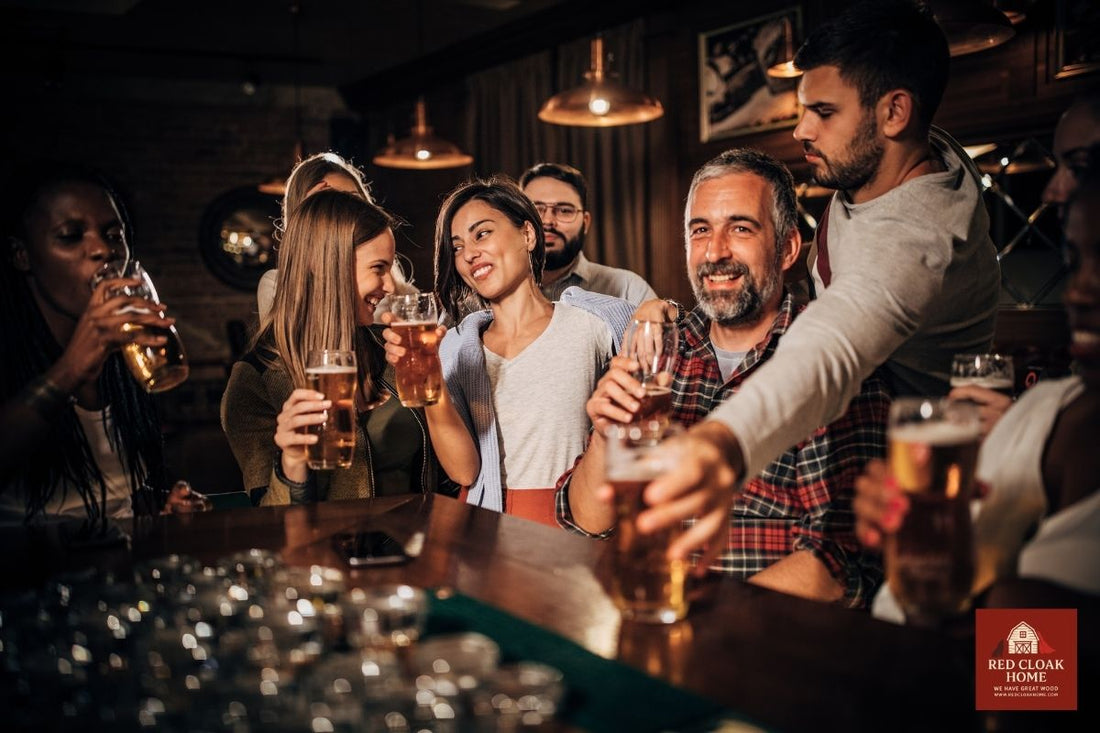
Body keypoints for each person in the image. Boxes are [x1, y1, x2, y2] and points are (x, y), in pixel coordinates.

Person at [632, 0, 1000, 568]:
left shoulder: (912, 241)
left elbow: (831, 345)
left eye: (823, 111)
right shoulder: (901, 158)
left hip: (927, 485)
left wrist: (722, 443)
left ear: (894, 112)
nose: (802, 129)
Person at [557, 150, 890, 606]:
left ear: (788, 248)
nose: (715, 252)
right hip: (646, 619)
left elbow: (839, 563)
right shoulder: (661, 352)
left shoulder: (832, 360)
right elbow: (586, 520)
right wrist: (605, 435)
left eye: (740, 228)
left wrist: (705, 620)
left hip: (763, 645)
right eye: (700, 231)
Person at [856, 144, 1100, 611]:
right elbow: (925, 618)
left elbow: (1028, 683)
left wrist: (1005, 604)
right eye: (1074, 262)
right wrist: (918, 548)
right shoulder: (1038, 412)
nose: (1080, 290)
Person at [382, 177, 634, 526]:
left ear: (528, 235)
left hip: (577, 518)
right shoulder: (455, 346)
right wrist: (431, 383)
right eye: (457, 247)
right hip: (485, 525)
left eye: (481, 233)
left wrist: (663, 310)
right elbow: (464, 471)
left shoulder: (593, 324)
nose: (469, 253)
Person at [0, 164, 205, 524]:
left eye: (113, 235)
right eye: (71, 236)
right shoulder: (11, 356)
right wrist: (72, 368)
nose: (101, 250)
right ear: (22, 255)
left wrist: (160, 503)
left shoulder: (125, 361)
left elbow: (111, 495)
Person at [222, 190, 440, 504]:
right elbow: (271, 517)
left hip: (420, 540)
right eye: (378, 268)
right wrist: (292, 463)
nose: (390, 286)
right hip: (332, 548)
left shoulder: (388, 347)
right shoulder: (254, 380)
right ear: (326, 266)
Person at [256, 152, 417, 318]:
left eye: (354, 202)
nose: (344, 213)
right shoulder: (275, 284)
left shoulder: (397, 288)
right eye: (329, 206)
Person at [519, 163, 657, 305]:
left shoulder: (628, 289)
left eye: (565, 210)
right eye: (536, 209)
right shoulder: (496, 287)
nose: (548, 221)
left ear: (586, 222)